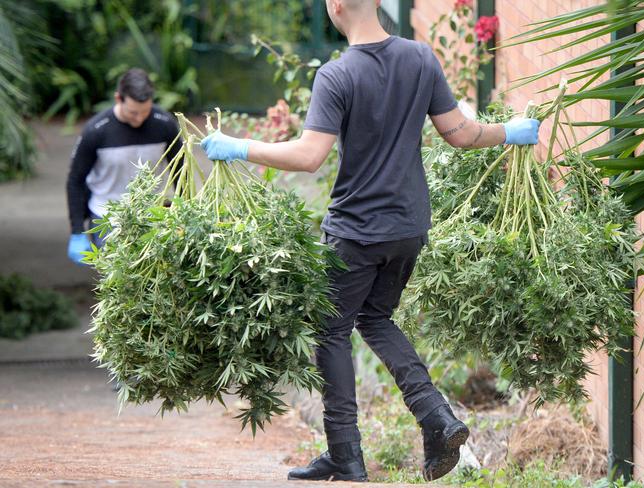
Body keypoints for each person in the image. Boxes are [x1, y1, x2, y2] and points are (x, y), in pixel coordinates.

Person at [201, 0, 540, 482]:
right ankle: (437, 418)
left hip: (356, 231)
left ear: (335, 6)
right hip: (409, 226)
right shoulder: (420, 58)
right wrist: (512, 132)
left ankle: (346, 456)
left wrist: (239, 146)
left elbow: (309, 156)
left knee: (330, 331)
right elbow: (460, 135)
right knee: (376, 317)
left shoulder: (336, 76)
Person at [66, 68, 182, 264]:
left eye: (145, 112)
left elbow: (180, 170)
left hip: (152, 214)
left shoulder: (165, 125)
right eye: (133, 112)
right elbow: (75, 180)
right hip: (107, 217)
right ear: (118, 98)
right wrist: (77, 231)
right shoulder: (96, 130)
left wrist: (183, 208)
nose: (139, 119)